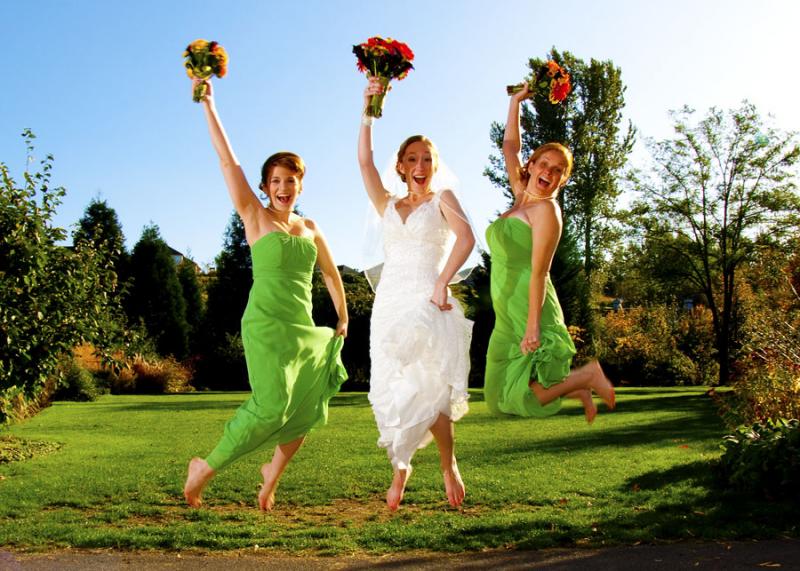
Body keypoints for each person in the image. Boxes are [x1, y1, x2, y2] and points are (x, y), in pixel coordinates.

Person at [183, 77, 349, 511]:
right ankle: (203, 468)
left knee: (306, 407)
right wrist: (208, 104)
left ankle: (270, 476)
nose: (283, 187)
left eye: (290, 180)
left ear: (300, 185)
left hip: (301, 328)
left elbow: (330, 273)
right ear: (264, 186)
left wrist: (343, 316)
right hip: (265, 324)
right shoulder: (254, 216)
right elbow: (227, 161)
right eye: (276, 180)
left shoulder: (310, 227)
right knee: (272, 406)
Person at [358, 77, 475, 511]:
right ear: (402, 165)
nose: (420, 164)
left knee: (430, 386)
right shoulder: (387, 203)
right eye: (412, 158)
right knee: (393, 387)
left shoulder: (443, 198)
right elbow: (364, 162)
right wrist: (369, 107)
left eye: (427, 158)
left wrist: (442, 282)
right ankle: (400, 466)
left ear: (434, 165)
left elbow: (466, 238)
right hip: (389, 302)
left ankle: (448, 464)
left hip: (428, 298)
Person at [484, 83, 615, 424]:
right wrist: (516, 102)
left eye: (558, 170)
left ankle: (587, 376)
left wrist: (533, 326)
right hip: (506, 307)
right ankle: (579, 387)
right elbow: (510, 146)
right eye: (544, 164)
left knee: (520, 393)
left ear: (563, 180)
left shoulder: (546, 211)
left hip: (529, 306)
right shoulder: (520, 196)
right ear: (531, 165)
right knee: (499, 396)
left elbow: (540, 272)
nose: (549, 172)